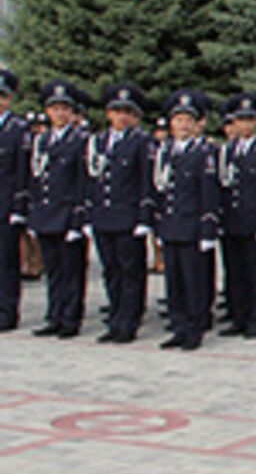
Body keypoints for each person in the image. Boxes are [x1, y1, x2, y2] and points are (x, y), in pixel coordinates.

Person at [86, 83, 154, 344]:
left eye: (128, 112)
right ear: (108, 114)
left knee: (131, 271)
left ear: (136, 117)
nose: (121, 116)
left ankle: (129, 320)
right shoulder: (99, 141)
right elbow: (91, 181)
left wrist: (144, 218)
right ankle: (115, 317)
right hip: (104, 216)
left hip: (129, 218)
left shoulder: (141, 142)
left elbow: (147, 181)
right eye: (117, 111)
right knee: (111, 270)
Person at [153, 89, 220, 351]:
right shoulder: (165, 152)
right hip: (171, 225)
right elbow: (159, 191)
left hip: (192, 226)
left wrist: (207, 230)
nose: (182, 125)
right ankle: (178, 327)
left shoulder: (204, 153)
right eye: (178, 120)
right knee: (174, 282)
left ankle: (194, 329)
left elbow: (209, 195)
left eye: (188, 120)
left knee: (194, 282)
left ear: (196, 125)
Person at [26, 81, 89, 339]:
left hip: (67, 215)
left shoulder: (81, 141)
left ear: (72, 113)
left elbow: (84, 182)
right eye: (54, 109)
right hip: (46, 214)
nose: (60, 114)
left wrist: (78, 219)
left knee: (71, 271)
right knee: (53, 271)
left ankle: (70, 319)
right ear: (47, 112)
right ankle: (54, 315)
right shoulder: (41, 140)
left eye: (65, 109)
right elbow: (35, 179)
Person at [215, 93, 256, 339]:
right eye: (241, 119)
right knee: (234, 272)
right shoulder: (226, 151)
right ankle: (237, 317)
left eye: (250, 119)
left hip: (253, 220)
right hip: (231, 220)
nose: (245, 124)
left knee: (254, 273)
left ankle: (254, 319)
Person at [0, 69, 29, 332]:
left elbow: (22, 172)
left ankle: (7, 312)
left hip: (5, 206)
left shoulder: (18, 130)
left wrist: (19, 206)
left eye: (2, 96)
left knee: (7, 263)